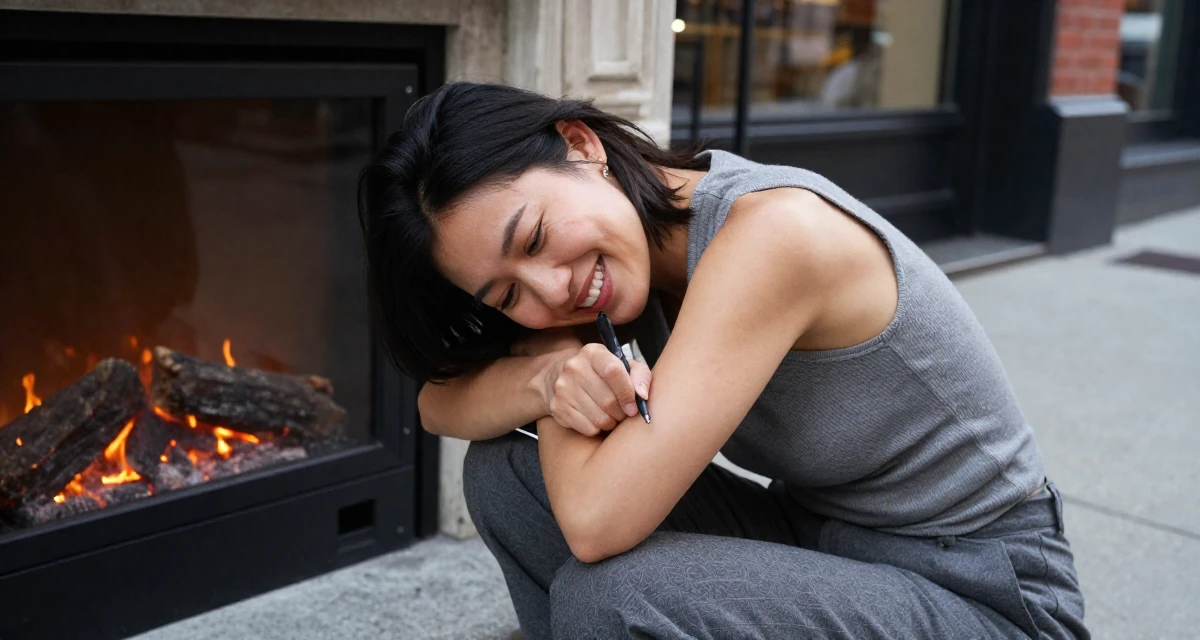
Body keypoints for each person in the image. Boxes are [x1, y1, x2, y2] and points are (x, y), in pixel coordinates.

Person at [357, 82, 1089, 640]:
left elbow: (596, 522)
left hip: (984, 595)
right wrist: (550, 372)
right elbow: (438, 402)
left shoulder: (773, 236)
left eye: (536, 237)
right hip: (824, 542)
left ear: (581, 145)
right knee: (503, 475)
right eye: (508, 291)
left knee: (616, 594)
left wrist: (552, 355)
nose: (553, 288)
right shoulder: (628, 253)